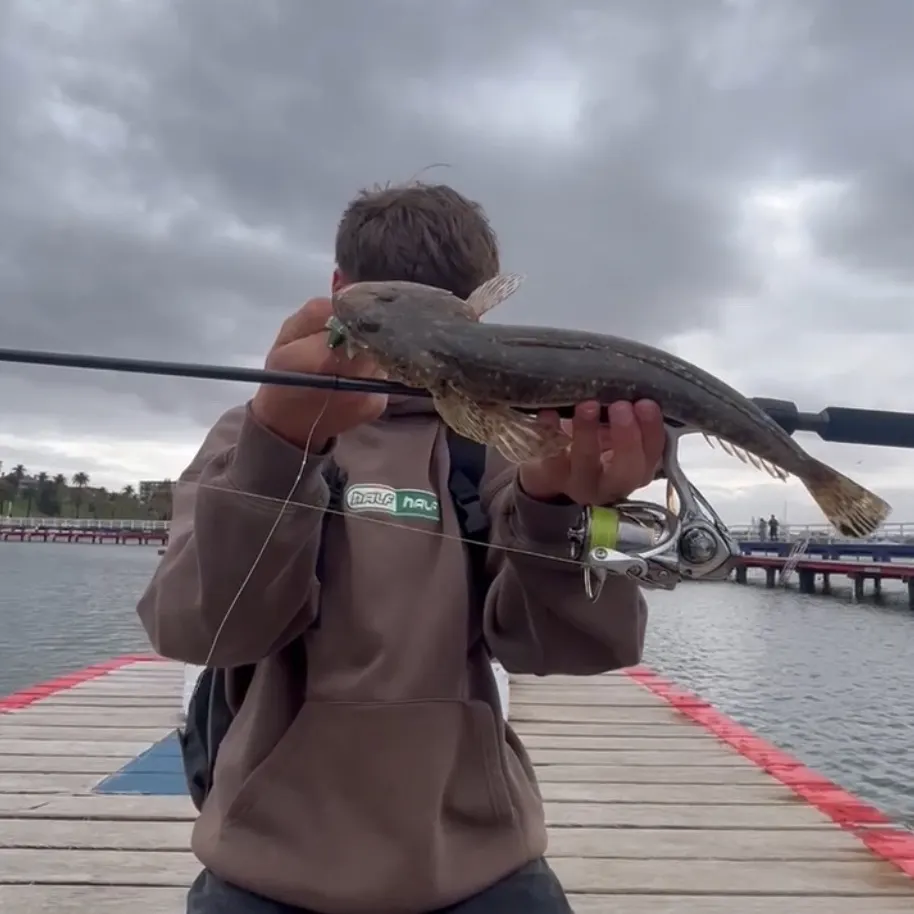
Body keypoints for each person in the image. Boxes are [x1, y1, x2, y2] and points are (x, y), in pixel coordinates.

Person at [137, 182, 666, 914]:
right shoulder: (257, 429)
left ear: (337, 288)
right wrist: (280, 448)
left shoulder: (506, 445)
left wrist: (567, 509)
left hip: (483, 869)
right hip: (268, 871)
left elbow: (581, 647)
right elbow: (203, 630)